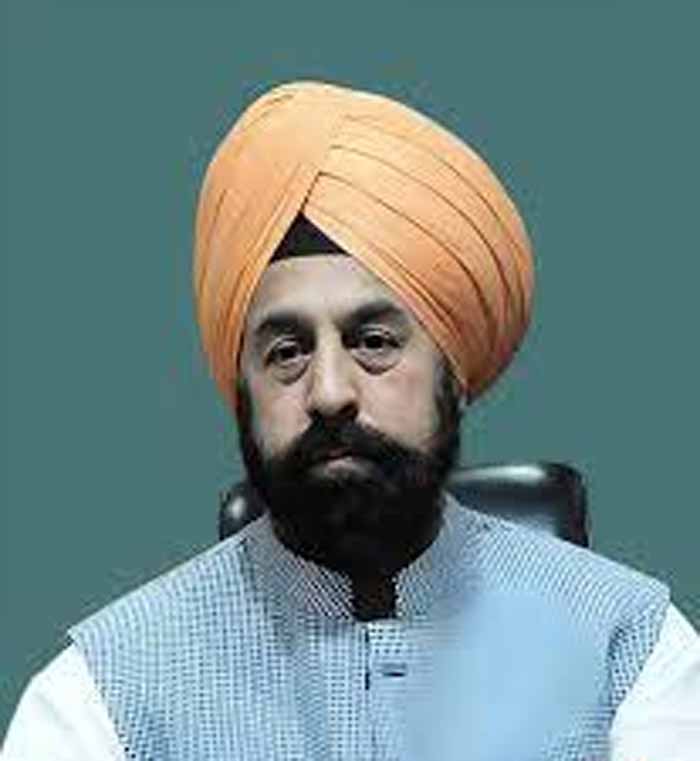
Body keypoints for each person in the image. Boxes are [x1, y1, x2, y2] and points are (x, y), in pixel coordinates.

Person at [3, 81, 699, 761]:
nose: (329, 391)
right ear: (242, 391)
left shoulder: (627, 646)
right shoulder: (103, 698)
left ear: (452, 375)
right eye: (287, 351)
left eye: (373, 342)